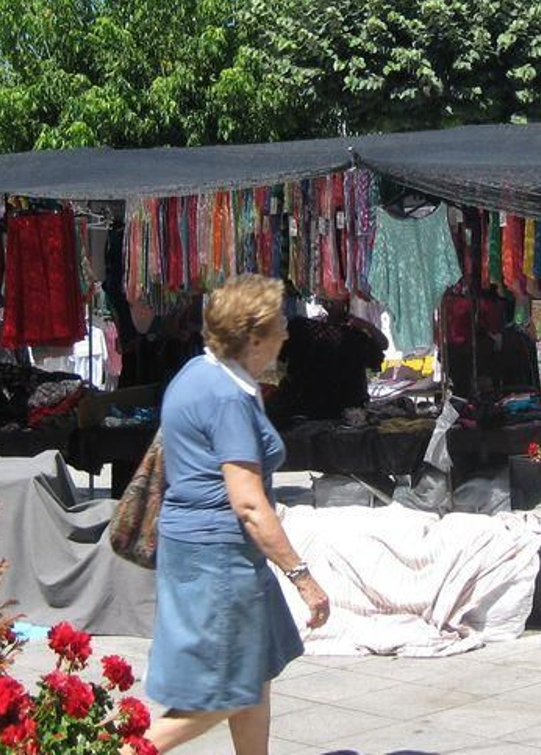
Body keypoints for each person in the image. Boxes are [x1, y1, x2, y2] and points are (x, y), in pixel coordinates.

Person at [144, 275, 329, 755]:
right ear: (254, 339)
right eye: (279, 325)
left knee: (253, 673)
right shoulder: (227, 398)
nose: (287, 333)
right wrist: (302, 577)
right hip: (218, 559)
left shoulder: (199, 373)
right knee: (225, 691)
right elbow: (248, 503)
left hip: (206, 552)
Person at [266, 294, 387, 425]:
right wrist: (365, 326)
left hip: (302, 405)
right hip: (342, 408)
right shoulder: (356, 336)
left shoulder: (299, 327)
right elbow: (380, 351)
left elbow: (280, 357)